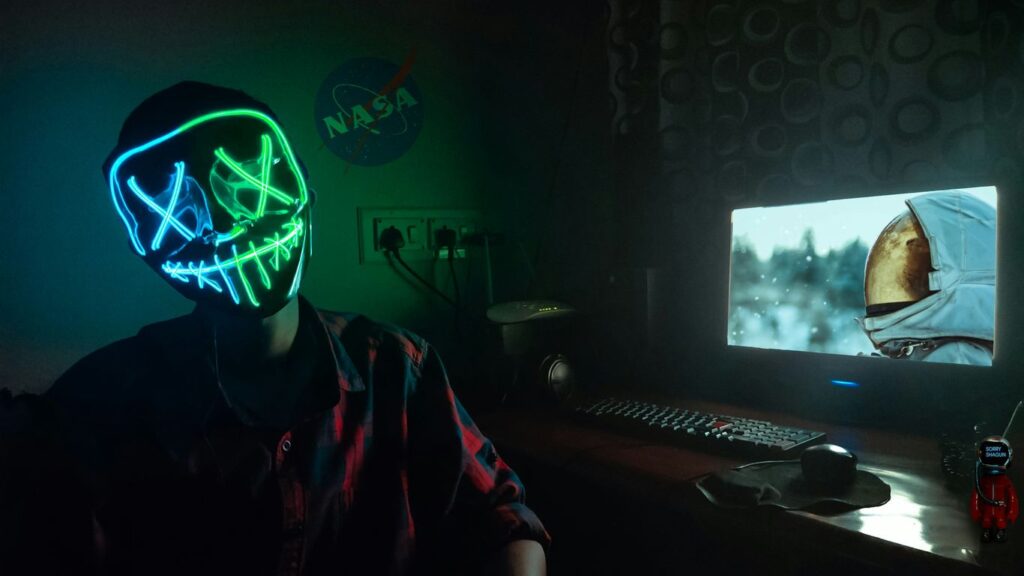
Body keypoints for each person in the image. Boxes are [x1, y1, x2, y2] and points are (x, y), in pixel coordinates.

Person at [39, 81, 549, 575]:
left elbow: (501, 520)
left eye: (246, 177)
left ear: (305, 188)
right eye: (174, 205)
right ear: (142, 246)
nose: (224, 224)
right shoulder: (102, 402)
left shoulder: (397, 369)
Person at [857, 190, 995, 365]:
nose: (911, 284)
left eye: (921, 278)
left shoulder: (959, 357)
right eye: (912, 280)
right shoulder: (928, 347)